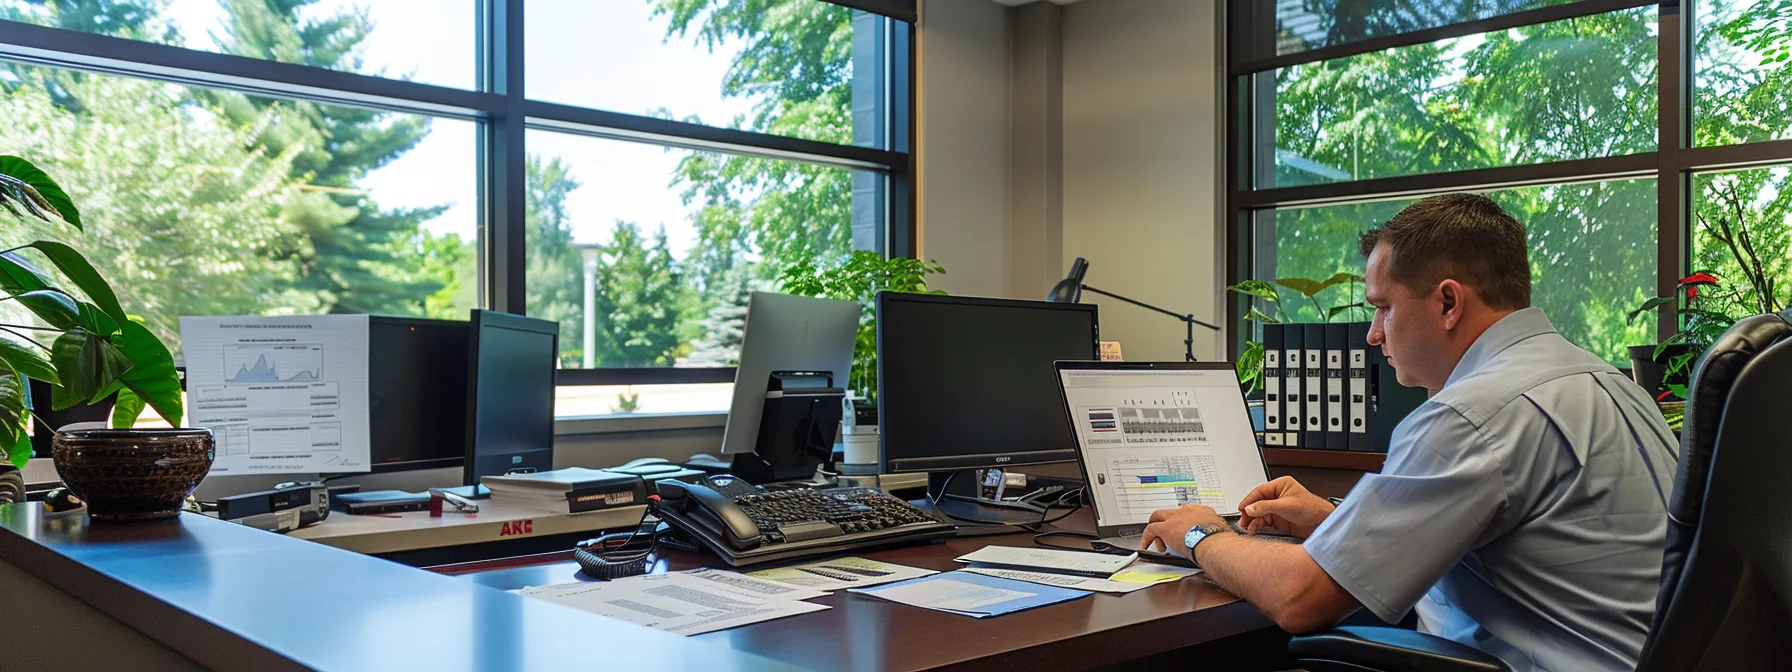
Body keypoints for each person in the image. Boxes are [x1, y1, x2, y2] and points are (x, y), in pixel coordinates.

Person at [1140, 193, 1678, 672]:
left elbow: (1301, 598)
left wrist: (1201, 535)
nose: (1373, 335)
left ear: (1448, 302)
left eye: (1382, 308)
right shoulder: (1604, 380)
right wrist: (1335, 522)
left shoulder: (1471, 413)